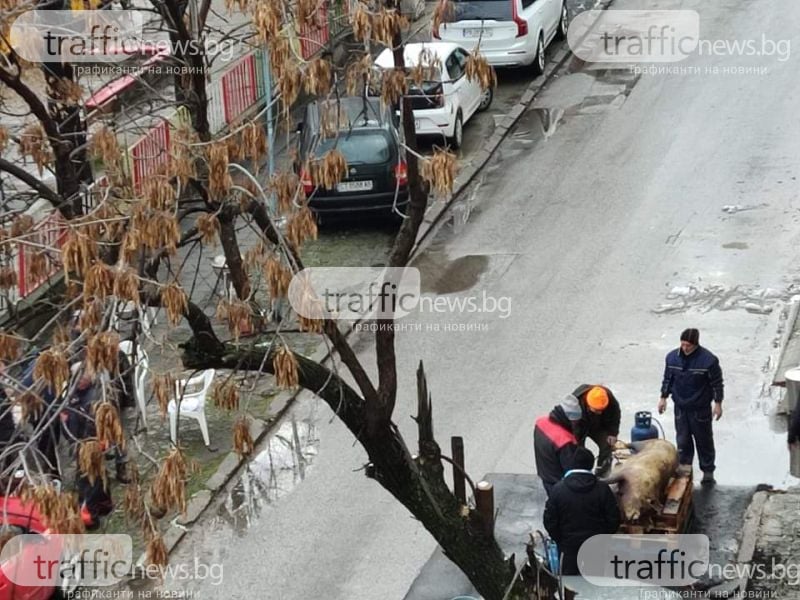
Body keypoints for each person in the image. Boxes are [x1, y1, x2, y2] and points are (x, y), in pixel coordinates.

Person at [658, 328, 724, 485]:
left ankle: (708, 471)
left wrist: (718, 403)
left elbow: (717, 384)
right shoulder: (672, 358)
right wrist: (663, 397)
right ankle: (685, 468)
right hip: (680, 407)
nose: (685, 348)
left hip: (700, 409)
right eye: (682, 344)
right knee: (683, 439)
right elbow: (668, 379)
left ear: (695, 344)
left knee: (704, 440)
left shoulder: (708, 361)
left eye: (688, 345)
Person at [543, 447, 621, 576]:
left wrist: (561, 540)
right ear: (591, 465)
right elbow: (613, 519)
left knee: (570, 586)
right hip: (596, 547)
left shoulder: (558, 490)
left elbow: (550, 521)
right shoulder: (602, 489)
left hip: (568, 548)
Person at [534, 395, 582, 497]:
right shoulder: (565, 440)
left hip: (544, 472)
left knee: (552, 501)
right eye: (575, 422)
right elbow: (571, 469)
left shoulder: (541, 422)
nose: (576, 424)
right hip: (558, 480)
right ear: (569, 418)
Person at [572, 384, 621, 476]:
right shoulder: (575, 403)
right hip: (580, 427)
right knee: (578, 453)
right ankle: (581, 475)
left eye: (602, 410)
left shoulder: (608, 396)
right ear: (587, 403)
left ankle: (602, 474)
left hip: (598, 426)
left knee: (607, 445)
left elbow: (615, 414)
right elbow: (574, 427)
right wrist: (576, 443)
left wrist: (613, 433)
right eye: (597, 410)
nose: (600, 412)